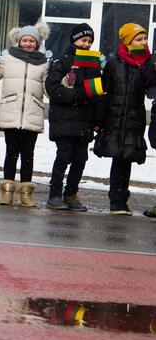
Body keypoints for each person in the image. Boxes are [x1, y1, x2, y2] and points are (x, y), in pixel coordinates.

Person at [0, 23, 50, 207]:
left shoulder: (44, 63)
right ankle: (6, 191)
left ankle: (26, 194)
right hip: (10, 113)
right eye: (25, 40)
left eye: (32, 41)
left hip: (33, 113)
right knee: (11, 152)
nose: (28, 43)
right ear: (18, 41)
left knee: (28, 154)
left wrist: (64, 82)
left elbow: (48, 89)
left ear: (37, 43)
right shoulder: (7, 59)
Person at [94, 24, 152, 215]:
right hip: (114, 118)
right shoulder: (114, 63)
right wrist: (99, 118)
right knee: (117, 158)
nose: (143, 42)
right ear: (127, 41)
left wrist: (147, 67)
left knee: (126, 159)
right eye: (138, 39)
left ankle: (122, 200)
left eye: (145, 39)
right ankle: (116, 201)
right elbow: (103, 90)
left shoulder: (147, 63)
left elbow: (151, 88)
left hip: (134, 118)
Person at [44, 23, 103, 211]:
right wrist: (77, 96)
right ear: (74, 40)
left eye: (89, 41)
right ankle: (54, 195)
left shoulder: (93, 65)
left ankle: (71, 194)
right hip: (64, 120)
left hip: (84, 121)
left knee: (80, 159)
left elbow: (97, 94)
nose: (86, 44)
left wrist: (97, 120)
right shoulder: (61, 62)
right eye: (83, 40)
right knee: (64, 156)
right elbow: (53, 89)